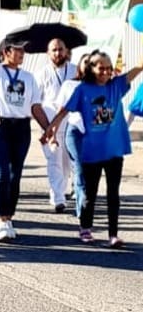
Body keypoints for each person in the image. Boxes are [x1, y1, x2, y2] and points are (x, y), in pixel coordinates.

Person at [46, 50, 143, 247]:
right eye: (101, 68)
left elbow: (139, 68)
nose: (106, 72)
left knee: (113, 193)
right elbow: (65, 109)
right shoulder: (83, 89)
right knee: (89, 192)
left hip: (114, 148)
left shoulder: (116, 86)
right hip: (92, 149)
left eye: (109, 68)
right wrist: (52, 128)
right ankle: (85, 228)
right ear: (91, 68)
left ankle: (113, 235)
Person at [0, 0, 49, 243]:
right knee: (1, 174)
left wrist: (48, 127)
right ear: (5, 52)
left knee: (15, 174)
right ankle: (1, 220)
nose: (21, 53)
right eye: (17, 49)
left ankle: (9, 217)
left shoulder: (29, 77)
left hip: (20, 127)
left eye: (23, 50)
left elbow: (35, 105)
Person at [35, 39, 76, 213]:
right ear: (48, 53)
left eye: (61, 49)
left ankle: (61, 190)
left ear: (66, 51)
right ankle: (58, 197)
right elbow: (35, 103)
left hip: (71, 124)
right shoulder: (41, 74)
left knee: (67, 165)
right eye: (54, 50)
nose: (58, 53)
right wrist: (45, 128)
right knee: (54, 161)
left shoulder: (75, 71)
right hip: (50, 125)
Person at [53, 53, 90, 218]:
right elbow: (60, 111)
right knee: (80, 168)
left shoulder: (100, 86)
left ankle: (83, 200)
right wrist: (52, 132)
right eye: (86, 61)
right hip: (74, 131)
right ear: (79, 66)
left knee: (87, 171)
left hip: (94, 134)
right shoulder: (69, 85)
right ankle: (83, 213)